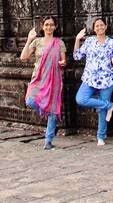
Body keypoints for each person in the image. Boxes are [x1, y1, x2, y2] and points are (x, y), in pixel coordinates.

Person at [20, 16, 67, 150]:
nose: (49, 27)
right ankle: (44, 110)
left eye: (51, 25)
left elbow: (64, 61)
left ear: (55, 27)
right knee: (29, 101)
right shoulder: (37, 42)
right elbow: (23, 57)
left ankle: (48, 140)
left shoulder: (59, 43)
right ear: (42, 27)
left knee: (52, 111)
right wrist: (29, 39)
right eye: (46, 25)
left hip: (54, 79)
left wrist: (63, 62)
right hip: (38, 78)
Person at [72, 17, 113, 146]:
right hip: (90, 78)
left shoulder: (112, 43)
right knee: (81, 99)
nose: (99, 27)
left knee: (101, 110)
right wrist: (77, 39)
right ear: (94, 29)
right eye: (97, 26)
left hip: (106, 78)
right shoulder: (89, 41)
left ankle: (101, 136)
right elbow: (77, 56)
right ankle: (109, 105)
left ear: (106, 26)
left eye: (101, 25)